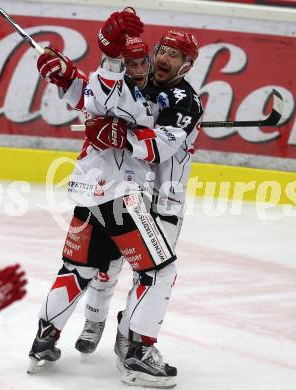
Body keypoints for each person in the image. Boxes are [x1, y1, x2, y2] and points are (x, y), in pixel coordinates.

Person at [27, 10, 184, 383]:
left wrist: (67, 77)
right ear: (118, 63)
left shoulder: (134, 94)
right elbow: (102, 87)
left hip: (89, 196)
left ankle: (43, 340)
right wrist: (88, 67)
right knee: (160, 270)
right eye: (129, 62)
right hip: (120, 198)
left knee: (77, 270)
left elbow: (90, 92)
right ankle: (137, 355)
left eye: (141, 59)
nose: (138, 66)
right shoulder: (114, 83)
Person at [74, 30, 203, 388]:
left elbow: (155, 149)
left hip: (162, 203)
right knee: (110, 265)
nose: (163, 58)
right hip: (124, 193)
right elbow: (99, 99)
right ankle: (101, 325)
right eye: (162, 50)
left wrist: (118, 133)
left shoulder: (184, 101)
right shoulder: (140, 84)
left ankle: (132, 342)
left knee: (153, 273)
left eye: (175, 55)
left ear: (188, 65)